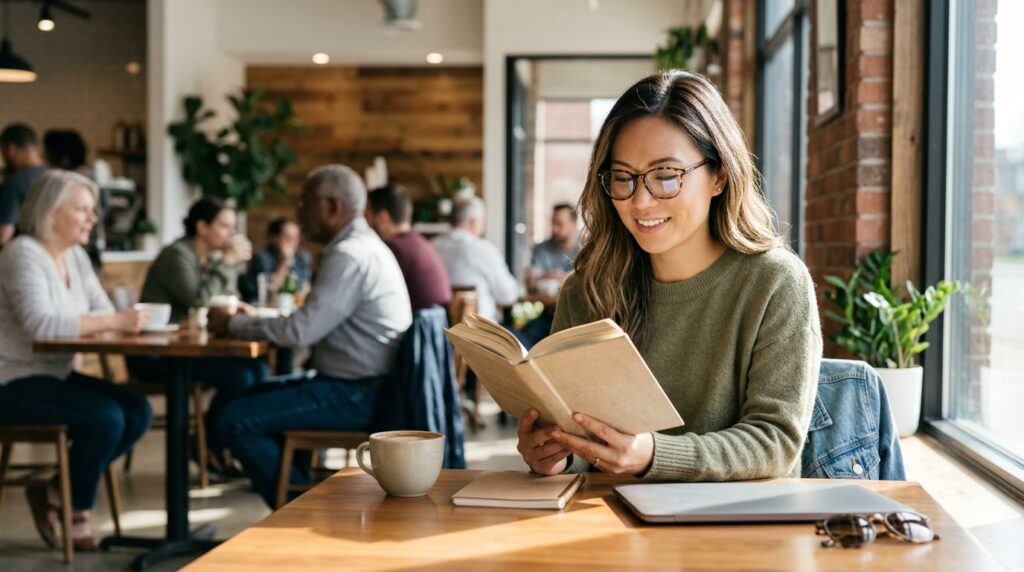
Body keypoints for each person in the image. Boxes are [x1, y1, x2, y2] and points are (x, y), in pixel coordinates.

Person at [516, 71, 822, 481]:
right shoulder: (587, 290)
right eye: (623, 178)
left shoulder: (775, 283)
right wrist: (557, 455)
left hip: (740, 528)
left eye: (665, 176)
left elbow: (776, 443)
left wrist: (653, 455)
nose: (640, 201)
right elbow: (579, 434)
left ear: (719, 176)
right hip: (607, 524)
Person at [208, 164, 412, 507]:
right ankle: (299, 491)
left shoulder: (350, 254)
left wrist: (233, 325)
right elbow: (309, 320)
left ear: (332, 207)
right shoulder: (364, 246)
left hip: (357, 394)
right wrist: (254, 318)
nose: (298, 212)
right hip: (362, 385)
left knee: (236, 418)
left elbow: (301, 332)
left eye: (305, 203)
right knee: (249, 392)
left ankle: (302, 512)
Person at [0, 170, 152, 549]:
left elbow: (101, 308)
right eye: (83, 209)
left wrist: (114, 319)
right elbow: (43, 326)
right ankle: (76, 508)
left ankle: (53, 491)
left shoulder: (77, 256)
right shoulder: (22, 254)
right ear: (52, 213)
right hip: (11, 378)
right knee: (106, 417)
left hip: (54, 373)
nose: (93, 218)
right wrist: (114, 321)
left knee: (136, 409)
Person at [127, 197, 265, 474]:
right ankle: (207, 443)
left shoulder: (207, 259)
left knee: (258, 368)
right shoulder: (176, 256)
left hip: (189, 349)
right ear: (202, 227)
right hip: (155, 355)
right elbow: (200, 301)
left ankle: (217, 442)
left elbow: (224, 300)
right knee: (241, 376)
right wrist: (227, 262)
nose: (231, 234)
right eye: (224, 226)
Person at [431, 196, 518, 322]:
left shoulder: (432, 246)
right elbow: (508, 296)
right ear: (473, 221)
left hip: (441, 331)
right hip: (480, 334)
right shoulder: (484, 249)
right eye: (482, 222)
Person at [367, 183, 451, 309]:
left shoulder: (396, 249)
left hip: (418, 326)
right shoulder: (417, 241)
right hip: (435, 322)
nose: (365, 224)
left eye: (367, 216)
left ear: (382, 218)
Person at [238, 217, 312, 305]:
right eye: (288, 237)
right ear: (275, 238)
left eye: (296, 238)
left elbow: (303, 288)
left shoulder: (303, 257)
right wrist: (285, 261)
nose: (292, 242)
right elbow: (271, 290)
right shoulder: (262, 257)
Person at [0, 123, 47, 245]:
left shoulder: (15, 182)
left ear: (10, 149)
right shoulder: (55, 176)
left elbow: (4, 235)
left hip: (21, 251)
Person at [527, 203, 581, 293]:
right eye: (552, 223)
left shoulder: (584, 250)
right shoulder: (541, 249)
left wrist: (546, 276)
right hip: (545, 305)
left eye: (559, 224)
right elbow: (532, 281)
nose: (553, 229)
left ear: (573, 225)